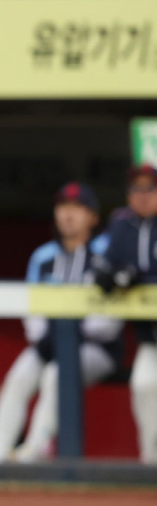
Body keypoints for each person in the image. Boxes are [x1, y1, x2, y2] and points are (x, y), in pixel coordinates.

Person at [0, 182, 123, 463]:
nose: (68, 215)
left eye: (77, 208)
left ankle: (33, 451)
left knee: (56, 374)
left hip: (97, 349)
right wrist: (48, 337)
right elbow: (32, 313)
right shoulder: (43, 257)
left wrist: (70, 333)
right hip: (50, 344)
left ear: (93, 217)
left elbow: (109, 321)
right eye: (63, 207)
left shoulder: (106, 254)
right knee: (19, 376)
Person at [95, 164, 157, 463]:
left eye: (149, 189)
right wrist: (117, 277)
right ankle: (151, 460)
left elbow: (138, 275)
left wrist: (136, 276)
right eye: (136, 189)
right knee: (144, 385)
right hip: (150, 336)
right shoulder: (120, 225)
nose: (142, 195)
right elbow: (104, 273)